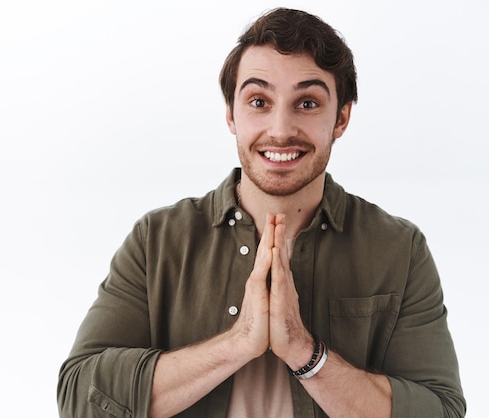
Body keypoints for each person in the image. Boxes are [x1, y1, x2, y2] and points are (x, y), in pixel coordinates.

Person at [57, 7, 466, 418]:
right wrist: (237, 343)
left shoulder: (399, 249)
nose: (281, 128)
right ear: (231, 114)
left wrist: (304, 351)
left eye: (307, 102)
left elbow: (442, 410)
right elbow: (78, 397)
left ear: (341, 117)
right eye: (258, 101)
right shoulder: (157, 240)